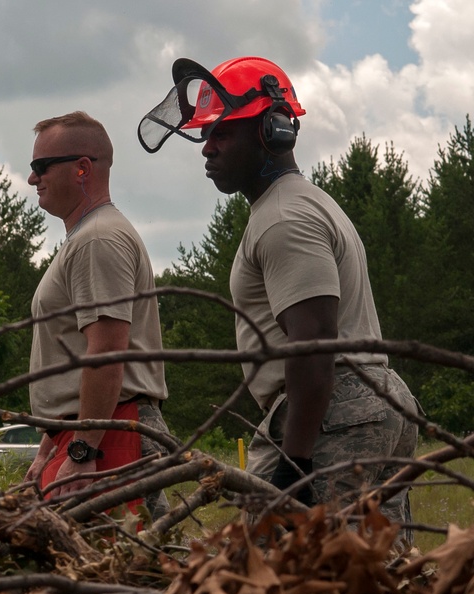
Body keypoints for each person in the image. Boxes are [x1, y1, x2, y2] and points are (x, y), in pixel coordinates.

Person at [138, 57, 419, 538]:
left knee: (274, 574)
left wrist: (296, 463)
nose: (208, 149)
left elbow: (313, 342)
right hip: (368, 401)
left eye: (222, 133)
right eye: (206, 136)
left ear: (272, 131)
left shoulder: (284, 218)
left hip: (334, 410)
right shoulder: (301, 204)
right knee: (373, 579)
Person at [23, 110, 171, 522]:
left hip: (111, 435)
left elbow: (106, 350)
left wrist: (85, 450)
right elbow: (73, 358)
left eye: (40, 166)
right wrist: (48, 447)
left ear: (83, 168)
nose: (33, 178)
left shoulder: (98, 240)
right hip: (94, 433)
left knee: (126, 575)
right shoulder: (86, 238)